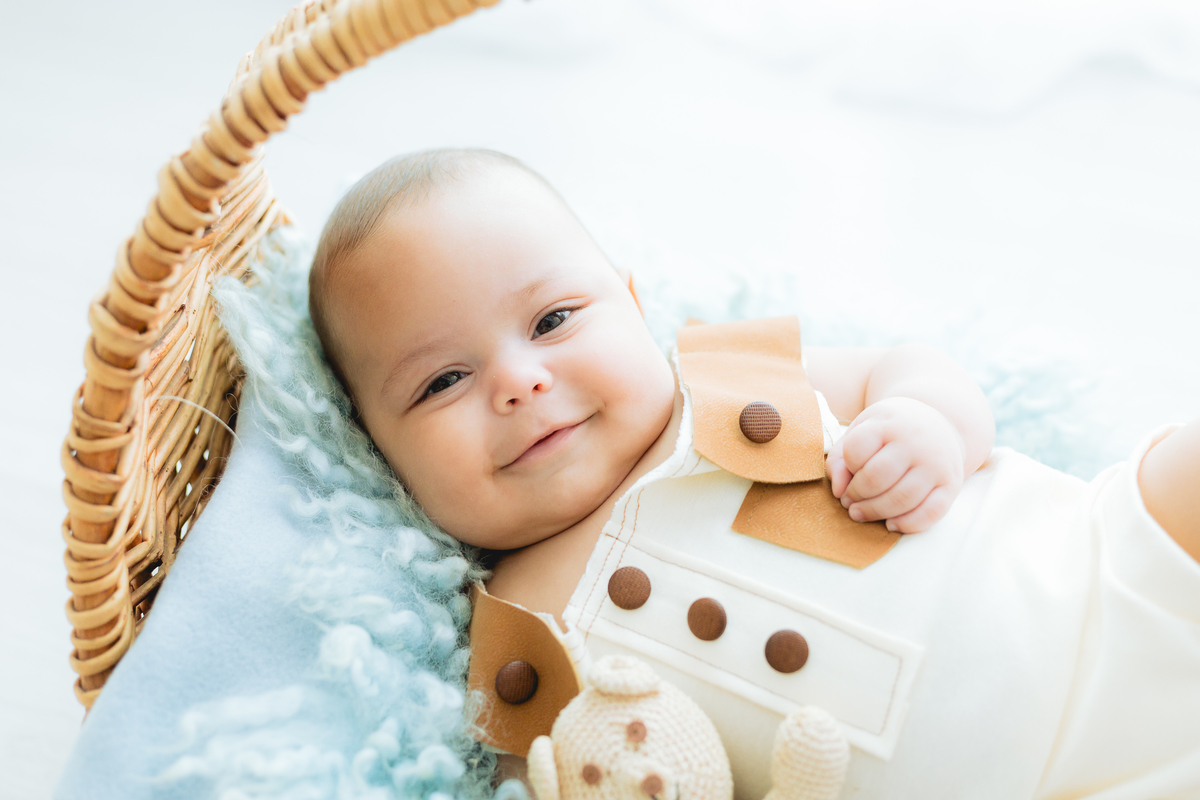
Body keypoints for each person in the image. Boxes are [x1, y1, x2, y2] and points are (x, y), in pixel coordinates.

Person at [307, 148, 1200, 799]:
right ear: (374, 445)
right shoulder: (510, 636)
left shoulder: (727, 381)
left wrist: (927, 420)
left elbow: (908, 364)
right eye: (442, 382)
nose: (519, 382)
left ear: (635, 303)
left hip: (1103, 581)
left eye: (552, 320)